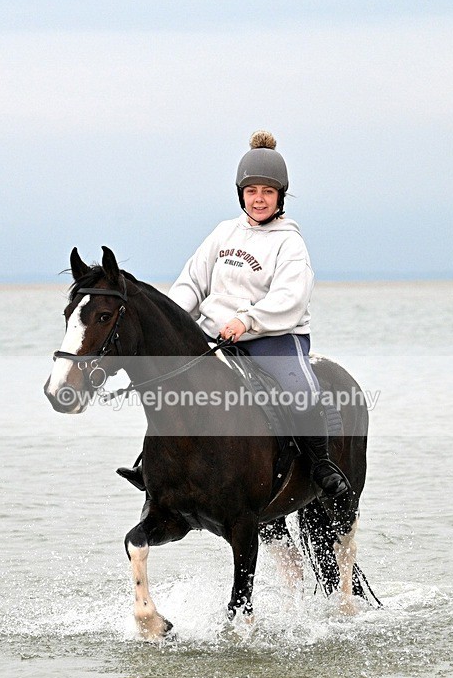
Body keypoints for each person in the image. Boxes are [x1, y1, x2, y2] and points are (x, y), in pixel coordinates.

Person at [119, 130, 347, 498]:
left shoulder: (289, 242)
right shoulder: (224, 233)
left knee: (298, 391)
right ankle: (154, 463)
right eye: (252, 191)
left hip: (272, 337)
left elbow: (291, 297)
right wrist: (174, 321)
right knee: (173, 389)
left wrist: (248, 320)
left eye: (267, 192)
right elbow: (193, 281)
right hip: (215, 334)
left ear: (280, 196)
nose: (259, 199)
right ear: (241, 193)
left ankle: (320, 464)